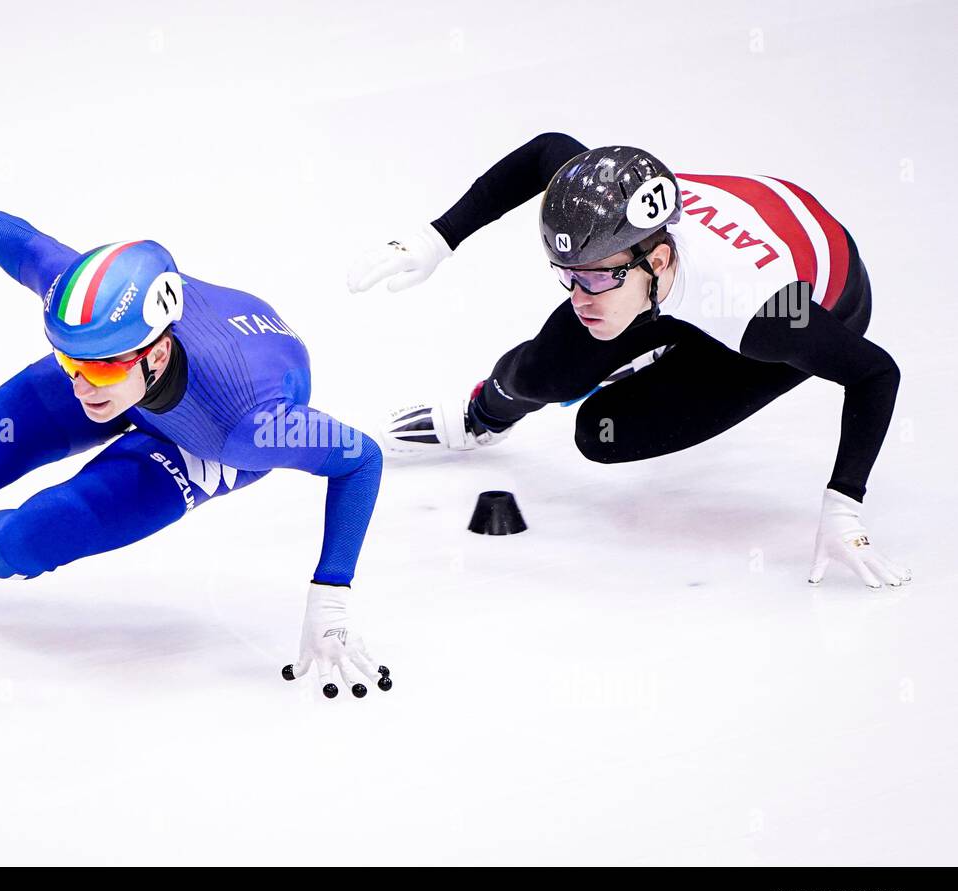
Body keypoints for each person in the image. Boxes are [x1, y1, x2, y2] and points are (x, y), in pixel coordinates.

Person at [0, 201, 391, 698]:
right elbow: (17, 244)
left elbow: (362, 459)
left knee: (27, 543)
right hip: (157, 381)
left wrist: (330, 591)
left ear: (158, 351)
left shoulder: (255, 426)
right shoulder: (96, 333)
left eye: (99, 369)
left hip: (206, 439)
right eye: (67, 359)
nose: (82, 385)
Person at [347, 132, 910, 590]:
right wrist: (436, 238)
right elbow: (548, 150)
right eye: (566, 276)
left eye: (591, 277)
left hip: (806, 298)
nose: (577, 296)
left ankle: (671, 352)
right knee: (545, 373)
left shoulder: (769, 316)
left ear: (659, 259)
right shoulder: (610, 228)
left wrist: (845, 504)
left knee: (603, 434)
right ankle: (485, 416)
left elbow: (876, 372)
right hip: (670, 282)